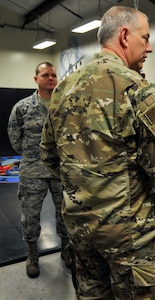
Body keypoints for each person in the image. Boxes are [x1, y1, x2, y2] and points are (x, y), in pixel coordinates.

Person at [40, 6, 155, 300]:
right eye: (146, 38)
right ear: (125, 35)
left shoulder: (63, 89)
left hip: (81, 233)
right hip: (130, 240)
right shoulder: (137, 90)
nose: (151, 47)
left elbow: (51, 159)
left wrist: (89, 187)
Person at [7, 62, 70, 278]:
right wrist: (34, 157)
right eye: (45, 75)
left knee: (66, 214)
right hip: (33, 172)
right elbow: (15, 138)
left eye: (53, 75)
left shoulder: (66, 106)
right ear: (36, 79)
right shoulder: (22, 107)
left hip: (60, 172)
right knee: (30, 217)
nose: (50, 78)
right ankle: (32, 254)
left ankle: (66, 250)